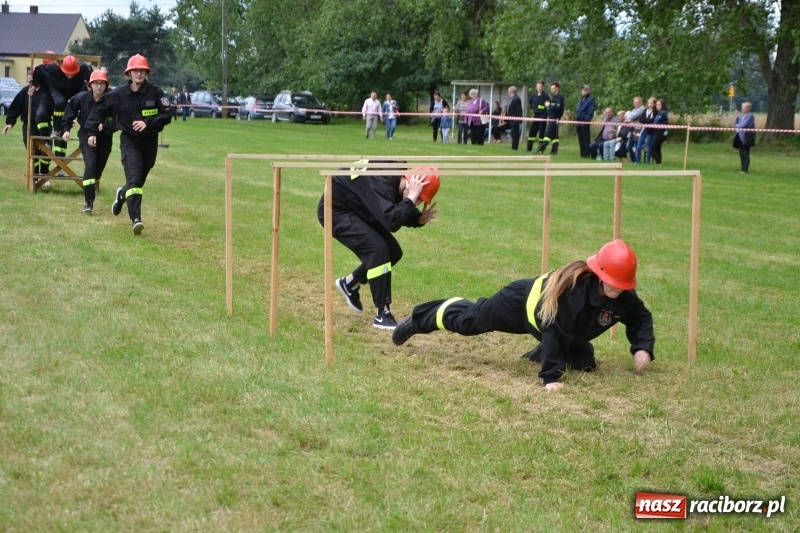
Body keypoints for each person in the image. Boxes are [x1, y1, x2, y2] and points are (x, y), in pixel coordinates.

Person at [392, 239, 655, 390]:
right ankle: (422, 317)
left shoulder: (622, 296)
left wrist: (642, 347)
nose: (618, 290)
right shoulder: (573, 295)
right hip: (519, 305)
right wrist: (550, 377)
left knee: (585, 363)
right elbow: (554, 328)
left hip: (554, 326)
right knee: (468, 322)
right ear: (599, 274)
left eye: (623, 286)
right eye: (613, 283)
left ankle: (541, 352)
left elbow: (640, 317)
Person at [317, 161, 440, 330]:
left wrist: (417, 219)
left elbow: (394, 205)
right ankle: (382, 314)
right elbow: (391, 220)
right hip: (336, 210)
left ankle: (350, 283)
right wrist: (411, 198)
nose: (417, 203)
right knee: (377, 249)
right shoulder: (381, 181)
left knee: (393, 252)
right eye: (418, 197)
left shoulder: (397, 180)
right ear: (410, 182)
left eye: (420, 199)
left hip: (358, 207)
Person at [85, 54, 172, 236]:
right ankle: (136, 219)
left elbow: (167, 114)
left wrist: (148, 123)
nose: (139, 73)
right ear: (129, 73)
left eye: (142, 70)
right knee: (134, 180)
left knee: (138, 181)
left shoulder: (155, 92)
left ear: (146, 72)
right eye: (135, 71)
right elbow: (98, 110)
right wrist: (92, 131)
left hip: (149, 142)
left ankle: (122, 194)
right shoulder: (117, 94)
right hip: (129, 142)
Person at [60, 70, 115, 213]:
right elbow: (69, 113)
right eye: (96, 83)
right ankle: (89, 202)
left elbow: (117, 120)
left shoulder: (112, 100)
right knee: (90, 164)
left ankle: (92, 183)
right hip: (85, 134)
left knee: (98, 169)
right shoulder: (80, 98)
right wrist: (66, 129)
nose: (99, 87)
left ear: (106, 85)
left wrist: (106, 126)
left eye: (102, 84)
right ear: (91, 85)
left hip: (105, 136)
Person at [32, 55, 93, 164]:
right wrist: (35, 84)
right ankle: (48, 140)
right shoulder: (52, 68)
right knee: (42, 113)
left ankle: (61, 130)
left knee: (80, 101)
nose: (69, 76)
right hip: (55, 91)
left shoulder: (83, 68)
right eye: (67, 73)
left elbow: (92, 75)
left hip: (74, 91)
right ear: (61, 68)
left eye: (72, 73)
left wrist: (92, 84)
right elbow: (38, 69)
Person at [2, 74, 51, 177]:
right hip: (29, 125)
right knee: (33, 151)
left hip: (45, 125)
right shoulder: (25, 91)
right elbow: (15, 107)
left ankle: (44, 173)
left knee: (47, 150)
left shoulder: (47, 91)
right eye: (30, 76)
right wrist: (10, 123)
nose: (31, 78)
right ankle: (35, 175)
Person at [538, 82, 564, 154]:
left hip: (555, 118)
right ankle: (554, 151)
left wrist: (549, 105)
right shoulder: (554, 97)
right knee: (555, 136)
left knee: (548, 134)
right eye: (551, 88)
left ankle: (541, 149)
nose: (552, 90)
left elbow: (557, 107)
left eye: (553, 88)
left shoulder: (559, 97)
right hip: (552, 118)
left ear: (557, 88)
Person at [734, 102, 755, 174]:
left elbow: (743, 125)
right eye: (742, 107)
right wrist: (736, 118)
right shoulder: (743, 116)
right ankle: (742, 169)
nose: (742, 109)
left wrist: (737, 125)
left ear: (749, 108)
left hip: (746, 137)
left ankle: (745, 170)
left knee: (745, 153)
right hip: (740, 136)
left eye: (744, 107)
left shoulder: (750, 116)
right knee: (741, 153)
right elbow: (737, 124)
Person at [527, 81, 548, 152]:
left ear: (543, 87)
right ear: (536, 87)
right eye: (538, 86)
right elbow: (530, 102)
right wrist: (533, 108)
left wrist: (545, 114)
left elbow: (548, 106)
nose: (539, 88)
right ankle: (529, 147)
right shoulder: (534, 95)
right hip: (536, 116)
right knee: (532, 132)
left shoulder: (545, 96)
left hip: (542, 117)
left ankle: (540, 149)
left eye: (541, 86)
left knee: (541, 134)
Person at [633, 98, 656, 164]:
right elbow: (641, 119)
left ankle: (647, 162)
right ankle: (638, 161)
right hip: (643, 130)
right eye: (649, 103)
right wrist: (647, 120)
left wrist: (646, 120)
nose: (650, 105)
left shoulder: (655, 111)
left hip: (650, 131)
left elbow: (652, 120)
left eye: (651, 103)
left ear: (654, 104)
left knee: (648, 146)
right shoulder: (645, 110)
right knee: (638, 146)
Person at [575, 84, 596, 158]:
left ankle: (586, 154)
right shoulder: (581, 99)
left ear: (589, 90)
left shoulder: (591, 99)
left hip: (584, 121)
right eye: (583, 89)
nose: (584, 91)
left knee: (586, 139)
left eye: (585, 89)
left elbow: (590, 111)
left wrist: (586, 121)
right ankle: (582, 154)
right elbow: (578, 110)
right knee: (581, 139)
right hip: (578, 120)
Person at [649, 98, 669, 165]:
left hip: (660, 133)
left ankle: (658, 162)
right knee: (657, 149)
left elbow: (655, 123)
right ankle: (659, 163)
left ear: (663, 105)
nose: (658, 106)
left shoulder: (662, 113)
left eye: (660, 105)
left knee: (651, 149)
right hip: (658, 133)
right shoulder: (659, 113)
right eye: (657, 105)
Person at [506, 86, 523, 150]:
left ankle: (514, 148)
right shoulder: (511, 98)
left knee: (515, 135)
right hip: (511, 120)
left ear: (511, 92)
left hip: (515, 120)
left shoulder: (516, 99)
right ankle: (513, 147)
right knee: (513, 134)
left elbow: (519, 110)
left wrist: (518, 121)